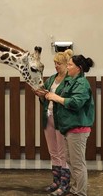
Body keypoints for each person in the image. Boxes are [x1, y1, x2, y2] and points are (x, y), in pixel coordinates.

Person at [44, 54, 95, 196]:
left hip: (78, 128)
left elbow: (76, 102)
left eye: (70, 65)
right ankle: (75, 189)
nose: (68, 67)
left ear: (78, 68)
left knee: (78, 163)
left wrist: (57, 98)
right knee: (71, 161)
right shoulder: (71, 81)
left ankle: (80, 192)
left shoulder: (82, 83)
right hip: (69, 128)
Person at [35, 49, 73, 196]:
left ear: (66, 64)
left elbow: (67, 100)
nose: (56, 66)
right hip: (48, 118)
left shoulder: (69, 81)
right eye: (55, 63)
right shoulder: (51, 79)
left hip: (61, 120)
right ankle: (56, 181)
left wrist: (52, 96)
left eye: (59, 63)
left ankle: (65, 184)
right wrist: (41, 95)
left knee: (63, 153)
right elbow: (45, 97)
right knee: (53, 152)